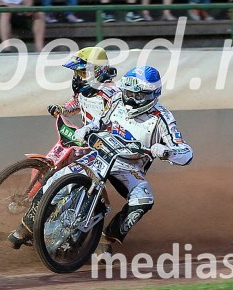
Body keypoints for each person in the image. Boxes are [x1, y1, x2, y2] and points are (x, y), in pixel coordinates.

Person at [46, 66, 193, 254]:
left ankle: (105, 239)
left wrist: (167, 151)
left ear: (152, 95)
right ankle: (32, 219)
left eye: (138, 95)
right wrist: (87, 128)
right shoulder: (117, 99)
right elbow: (101, 120)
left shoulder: (163, 118)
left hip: (130, 166)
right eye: (128, 92)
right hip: (102, 153)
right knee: (61, 177)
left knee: (144, 199)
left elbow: (186, 153)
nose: (131, 99)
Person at [7, 46, 120, 248]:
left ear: (99, 71)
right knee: (56, 176)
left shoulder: (112, 94)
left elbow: (119, 120)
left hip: (107, 149)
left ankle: (98, 239)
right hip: (86, 142)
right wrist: (61, 109)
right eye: (77, 72)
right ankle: (33, 225)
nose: (78, 76)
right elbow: (73, 105)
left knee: (84, 189)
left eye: (83, 72)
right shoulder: (85, 91)